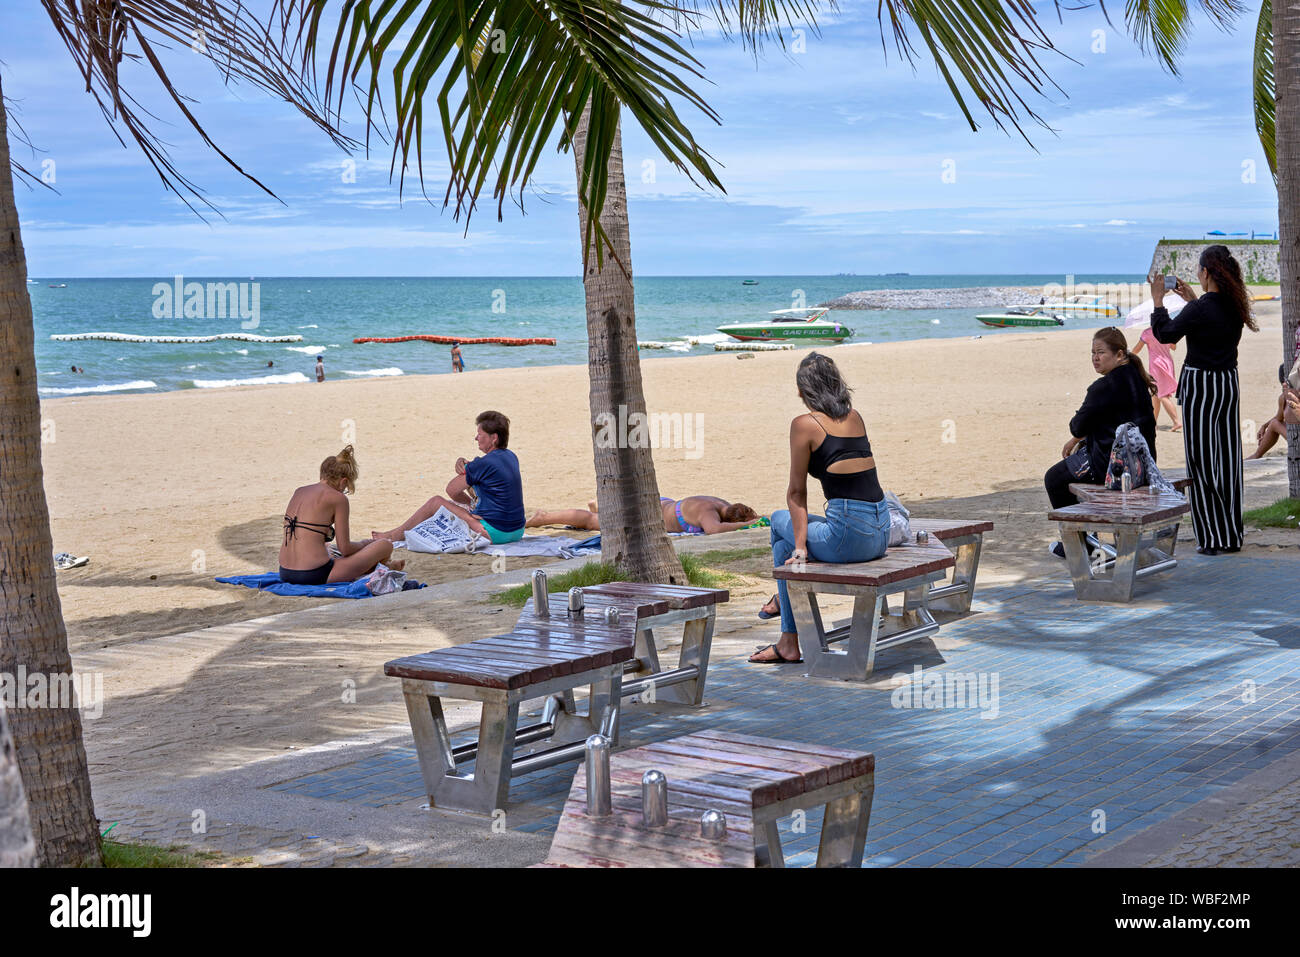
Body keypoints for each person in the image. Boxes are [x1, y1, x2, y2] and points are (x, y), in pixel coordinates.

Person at [749, 352, 892, 664]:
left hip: (849, 539)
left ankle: (788, 635)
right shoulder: (855, 416)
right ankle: (785, 626)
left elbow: (796, 493)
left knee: (777, 523)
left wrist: (801, 547)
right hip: (880, 532)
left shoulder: (804, 425)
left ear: (802, 391)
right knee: (787, 542)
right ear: (837, 385)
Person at [1152, 245, 1258, 554]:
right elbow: (1209, 320)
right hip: (1227, 382)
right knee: (1227, 458)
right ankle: (1230, 535)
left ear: (1206, 272)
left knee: (1200, 460)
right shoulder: (1233, 305)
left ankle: (1211, 538)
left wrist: (1159, 300)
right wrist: (1192, 301)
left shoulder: (1201, 309)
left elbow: (1166, 334)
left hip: (1201, 384)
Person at [1044, 327, 1158, 558]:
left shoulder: (1103, 387)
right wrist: (1080, 437)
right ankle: (1087, 537)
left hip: (1114, 468)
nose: (1095, 358)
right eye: (1092, 353)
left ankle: (1079, 545)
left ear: (1119, 354)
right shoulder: (1137, 377)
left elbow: (1077, 425)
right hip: (1144, 463)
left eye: (1101, 352)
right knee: (1071, 466)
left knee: (1054, 478)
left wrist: (1079, 435)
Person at [375, 410, 526, 545]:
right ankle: (396, 533)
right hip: (517, 530)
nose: (476, 438)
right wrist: (471, 501)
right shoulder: (511, 456)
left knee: (435, 502)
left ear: (494, 438)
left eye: (480, 434)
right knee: (455, 505)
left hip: (496, 533)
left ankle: (393, 536)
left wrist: (464, 468)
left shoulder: (481, 465)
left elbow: (452, 490)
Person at [279, 445, 400, 585]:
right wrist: (365, 543)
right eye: (346, 488)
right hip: (315, 574)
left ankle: (387, 566)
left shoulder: (299, 491)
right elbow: (346, 549)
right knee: (385, 545)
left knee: (330, 547)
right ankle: (386, 566)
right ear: (343, 481)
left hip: (285, 572)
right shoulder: (338, 498)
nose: (344, 491)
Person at [527, 495, 758, 533]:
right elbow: (714, 529)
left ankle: (599, 504)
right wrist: (751, 525)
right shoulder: (709, 512)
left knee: (599, 515)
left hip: (661, 504)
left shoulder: (720, 503)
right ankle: (543, 518)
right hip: (647, 515)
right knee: (590, 522)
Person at [1131, 326, 1182, 431]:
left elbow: (1137, 349)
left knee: (1162, 395)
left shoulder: (1147, 332)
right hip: (1167, 362)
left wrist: (1128, 355)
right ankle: (1153, 422)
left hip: (1156, 365)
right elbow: (1173, 347)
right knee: (1155, 394)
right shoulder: (1167, 330)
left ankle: (1176, 421)